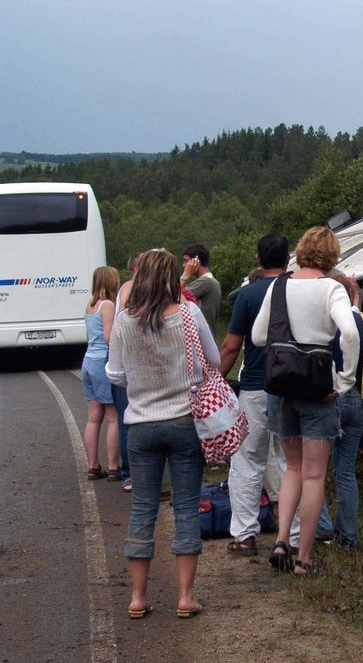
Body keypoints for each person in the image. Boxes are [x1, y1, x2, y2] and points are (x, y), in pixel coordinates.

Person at [106, 250, 215, 618]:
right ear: (171, 277)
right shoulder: (188, 313)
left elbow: (115, 374)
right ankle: (185, 597)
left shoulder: (124, 320)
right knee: (185, 508)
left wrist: (142, 381)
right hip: (185, 422)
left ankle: (138, 598)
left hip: (140, 424)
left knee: (142, 509)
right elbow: (211, 361)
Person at [251, 227, 359, 576]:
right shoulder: (331, 289)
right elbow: (351, 332)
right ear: (332, 255)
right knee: (314, 476)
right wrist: (344, 381)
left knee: (292, 469)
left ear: (300, 251)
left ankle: (282, 539)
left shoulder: (279, 285)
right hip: (317, 392)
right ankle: (304, 558)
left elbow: (256, 336)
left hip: (282, 390)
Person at [219, 235, 298, 556]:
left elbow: (231, 346)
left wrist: (216, 379)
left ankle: (245, 535)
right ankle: (290, 536)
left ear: (257, 258)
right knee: (290, 461)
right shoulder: (299, 289)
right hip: (294, 386)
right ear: (287, 259)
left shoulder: (248, 295)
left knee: (247, 460)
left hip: (255, 386)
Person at [315, 272, 363, 550]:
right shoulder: (361, 320)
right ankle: (348, 537)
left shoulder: (321, 321)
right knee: (345, 471)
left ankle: (322, 529)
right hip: (356, 401)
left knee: (315, 472)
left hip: (326, 400)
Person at [82, 266, 121, 480]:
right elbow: (108, 337)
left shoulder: (90, 304)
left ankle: (93, 465)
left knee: (93, 417)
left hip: (88, 360)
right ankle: (114, 466)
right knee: (113, 417)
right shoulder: (107, 305)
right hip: (101, 361)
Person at [112, 253, 140, 492]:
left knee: (126, 420)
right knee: (129, 422)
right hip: (132, 364)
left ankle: (129, 474)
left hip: (123, 363)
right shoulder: (137, 288)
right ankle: (131, 473)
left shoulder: (123, 288)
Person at [180, 243, 222, 332]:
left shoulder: (206, 282)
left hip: (202, 339)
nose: (184, 265)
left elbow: (172, 296)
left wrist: (185, 275)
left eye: (186, 261)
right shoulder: (207, 281)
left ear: (196, 261)